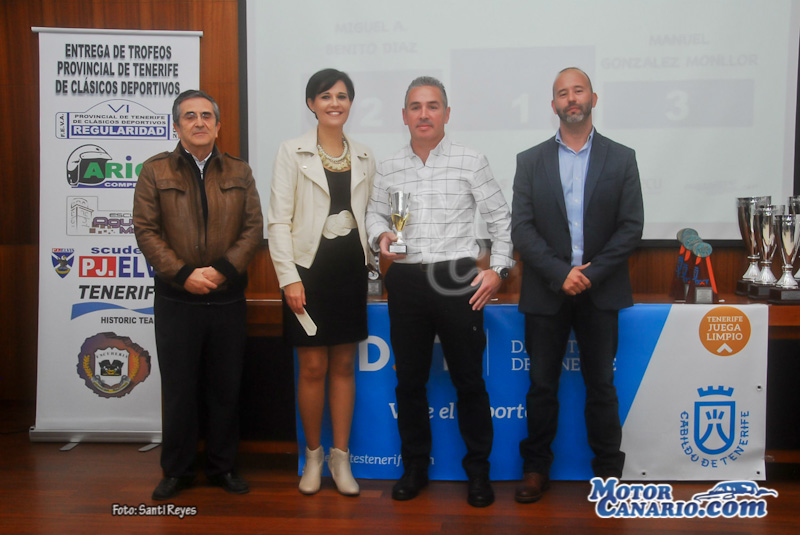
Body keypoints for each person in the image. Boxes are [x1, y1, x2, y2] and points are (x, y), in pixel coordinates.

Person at [366, 76, 513, 508]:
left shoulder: (471, 160)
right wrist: (379, 236)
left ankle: (478, 472)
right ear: (404, 115)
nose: (424, 114)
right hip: (407, 279)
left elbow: (501, 220)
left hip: (456, 279)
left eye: (432, 106)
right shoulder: (389, 166)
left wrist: (499, 270)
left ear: (447, 114)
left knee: (469, 381)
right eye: (415, 106)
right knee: (409, 382)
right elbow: (374, 215)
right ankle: (414, 467)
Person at [510, 67, 644, 503]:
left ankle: (608, 474)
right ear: (553, 105)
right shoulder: (530, 161)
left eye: (578, 90)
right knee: (541, 387)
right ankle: (535, 469)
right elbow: (521, 229)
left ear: (593, 99)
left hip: (600, 291)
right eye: (563, 93)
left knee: (601, 386)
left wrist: (589, 273)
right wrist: (559, 272)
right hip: (546, 290)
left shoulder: (621, 158)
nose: (571, 99)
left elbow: (631, 227)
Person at [133, 89, 263, 500]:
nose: (199, 122)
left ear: (218, 125)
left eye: (207, 115)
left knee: (226, 389)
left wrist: (222, 271)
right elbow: (146, 230)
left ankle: (224, 468)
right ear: (177, 126)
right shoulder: (154, 171)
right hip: (177, 299)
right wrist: (184, 274)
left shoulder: (239, 171)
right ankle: (177, 471)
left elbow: (253, 228)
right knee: (179, 391)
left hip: (227, 299)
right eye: (190, 116)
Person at [268, 68, 375, 496]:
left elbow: (370, 217)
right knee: (313, 368)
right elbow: (279, 221)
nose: (335, 103)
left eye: (342, 96)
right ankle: (313, 456)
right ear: (312, 103)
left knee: (345, 366)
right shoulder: (290, 151)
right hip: (307, 274)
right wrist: (288, 279)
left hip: (350, 274)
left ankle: (340, 458)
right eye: (326, 96)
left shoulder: (364, 155)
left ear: (350, 103)